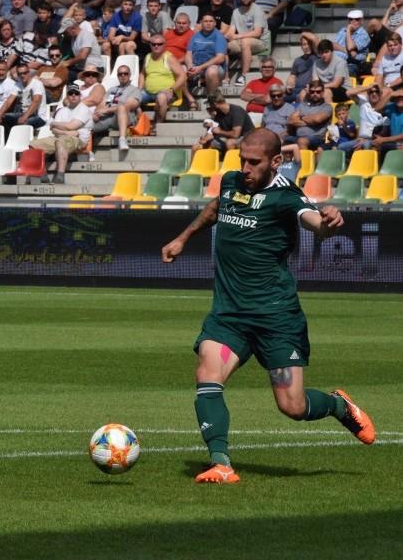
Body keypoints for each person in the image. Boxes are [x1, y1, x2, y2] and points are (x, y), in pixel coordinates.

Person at [161, 127, 376, 484]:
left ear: (276, 162)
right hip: (229, 314)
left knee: (293, 407)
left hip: (276, 316)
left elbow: (313, 223)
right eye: (242, 159)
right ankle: (221, 464)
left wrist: (328, 224)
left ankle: (339, 405)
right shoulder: (231, 182)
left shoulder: (286, 197)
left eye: (254, 162)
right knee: (207, 374)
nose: (245, 168)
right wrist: (182, 238)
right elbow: (216, 208)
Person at [29, 84, 93, 184]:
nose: (73, 95)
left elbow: (71, 126)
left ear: (80, 96)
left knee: (60, 142)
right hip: (63, 136)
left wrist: (55, 124)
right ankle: (42, 174)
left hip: (79, 140)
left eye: (76, 93)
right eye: (70, 93)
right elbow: (54, 130)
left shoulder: (84, 109)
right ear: (67, 96)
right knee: (33, 145)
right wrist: (67, 131)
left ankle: (60, 176)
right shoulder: (62, 110)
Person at [139, 33, 186, 136]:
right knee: (133, 99)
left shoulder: (169, 58)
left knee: (161, 97)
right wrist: (139, 89)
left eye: (160, 44)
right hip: (148, 92)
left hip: (167, 92)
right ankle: (139, 125)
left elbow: (183, 75)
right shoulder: (147, 57)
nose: (156, 46)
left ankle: (158, 125)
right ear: (150, 45)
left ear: (164, 45)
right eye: (154, 44)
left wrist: (172, 89)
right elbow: (143, 74)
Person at [91, 63, 143, 151]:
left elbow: (127, 106)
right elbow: (101, 104)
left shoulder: (135, 90)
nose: (123, 76)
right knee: (85, 123)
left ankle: (122, 140)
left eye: (125, 73)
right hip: (107, 117)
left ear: (130, 75)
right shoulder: (111, 89)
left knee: (121, 107)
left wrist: (107, 110)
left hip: (125, 117)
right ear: (117, 76)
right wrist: (96, 114)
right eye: (120, 74)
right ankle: (83, 150)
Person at [227, 0, 270, 86]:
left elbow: (257, 33)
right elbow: (231, 31)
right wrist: (228, 36)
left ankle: (244, 76)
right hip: (242, 41)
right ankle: (225, 77)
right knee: (223, 45)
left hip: (260, 42)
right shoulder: (235, 12)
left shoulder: (258, 10)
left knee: (245, 42)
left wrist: (237, 36)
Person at [185, 12, 227, 110]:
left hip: (215, 67)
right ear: (201, 23)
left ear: (215, 23)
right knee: (181, 70)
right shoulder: (195, 36)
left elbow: (220, 58)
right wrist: (190, 66)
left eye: (210, 21)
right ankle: (191, 100)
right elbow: (188, 54)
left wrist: (200, 68)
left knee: (211, 72)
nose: (208, 23)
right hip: (195, 66)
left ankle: (212, 102)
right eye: (205, 21)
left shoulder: (219, 36)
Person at [192, 90, 254, 157]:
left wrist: (219, 131)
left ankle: (231, 167)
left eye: (210, 104)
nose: (210, 107)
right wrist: (206, 139)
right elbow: (214, 131)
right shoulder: (219, 114)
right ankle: (196, 167)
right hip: (229, 139)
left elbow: (236, 134)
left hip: (247, 140)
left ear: (215, 104)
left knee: (230, 143)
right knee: (197, 146)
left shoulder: (237, 111)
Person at [284, 79, 332, 151]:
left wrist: (301, 117)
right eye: (312, 92)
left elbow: (317, 119)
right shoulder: (302, 105)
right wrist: (312, 123)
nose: (315, 94)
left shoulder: (327, 107)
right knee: (278, 140)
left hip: (316, 138)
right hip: (298, 137)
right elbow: (291, 120)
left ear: (322, 92)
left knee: (302, 141)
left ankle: (303, 162)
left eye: (318, 92)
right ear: (309, 92)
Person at [1, 62, 48, 133]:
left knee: (24, 124)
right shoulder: (17, 84)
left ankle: (23, 143)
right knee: (5, 118)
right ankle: (8, 142)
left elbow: (36, 102)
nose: (22, 75)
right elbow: (9, 101)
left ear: (29, 73)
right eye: (20, 74)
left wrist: (25, 117)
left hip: (39, 116)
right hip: (24, 114)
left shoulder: (37, 84)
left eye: (25, 73)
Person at [284, 35, 317, 104]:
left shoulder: (318, 58)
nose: (307, 47)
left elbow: (315, 40)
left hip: (308, 89)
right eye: (304, 44)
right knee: (279, 96)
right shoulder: (297, 60)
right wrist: (289, 86)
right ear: (301, 46)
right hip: (295, 89)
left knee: (302, 96)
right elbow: (292, 76)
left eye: (309, 44)